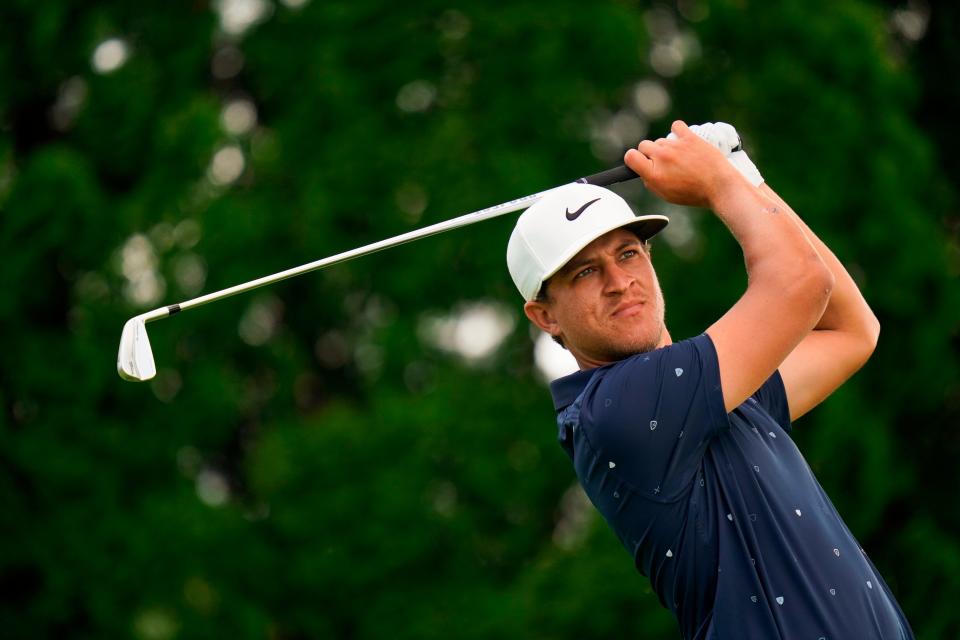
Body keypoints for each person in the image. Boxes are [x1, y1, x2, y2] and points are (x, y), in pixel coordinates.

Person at [506, 121, 913, 639]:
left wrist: (746, 177)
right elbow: (802, 284)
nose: (619, 282)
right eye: (584, 272)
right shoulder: (618, 410)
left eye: (627, 253)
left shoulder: (712, 395)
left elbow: (851, 329)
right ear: (546, 318)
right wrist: (722, 182)